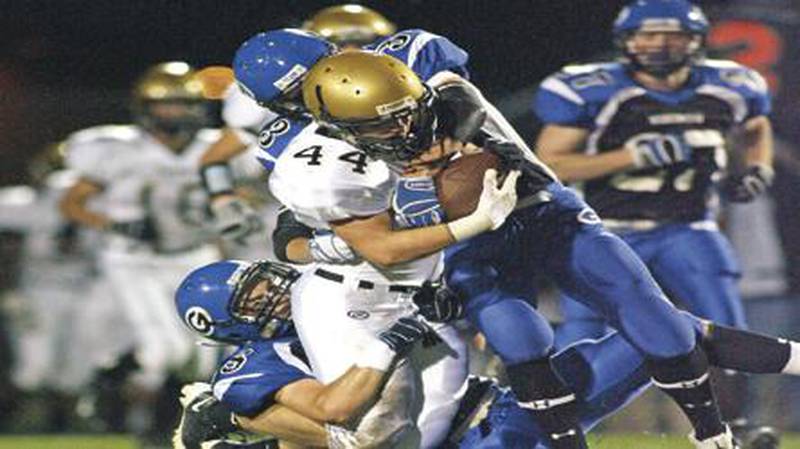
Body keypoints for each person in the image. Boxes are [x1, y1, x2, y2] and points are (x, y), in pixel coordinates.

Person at [299, 50, 744, 448]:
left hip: (540, 217)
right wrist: (333, 244)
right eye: (383, 122)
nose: (402, 127)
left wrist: (457, 147)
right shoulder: (318, 166)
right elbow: (347, 244)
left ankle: (712, 430)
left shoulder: (432, 90)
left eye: (406, 113)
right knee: (516, 341)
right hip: (424, 272)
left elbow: (461, 96)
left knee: (657, 322)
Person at [172, 259, 798, 449]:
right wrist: (393, 339)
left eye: (264, 278)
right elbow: (336, 411)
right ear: (228, 323)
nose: (274, 290)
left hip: (504, 406)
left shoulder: (332, 299)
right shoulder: (250, 366)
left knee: (665, 328)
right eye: (253, 294)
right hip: (465, 443)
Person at [229, 27, 485, 449]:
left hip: (433, 266)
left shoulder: (401, 65)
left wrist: (444, 162)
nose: (310, 100)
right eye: (293, 98)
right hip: (368, 287)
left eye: (309, 81)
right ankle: (235, 421)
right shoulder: (300, 145)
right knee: (381, 434)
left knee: (435, 423)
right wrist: (322, 246)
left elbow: (465, 104)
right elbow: (288, 236)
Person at [532, 0, 773, 429]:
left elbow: (755, 128)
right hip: (605, 230)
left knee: (726, 325)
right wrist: (628, 156)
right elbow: (549, 163)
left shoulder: (731, 85)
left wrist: (757, 167)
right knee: (585, 329)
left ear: (696, 41)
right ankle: (563, 428)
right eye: (647, 35)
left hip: (689, 227)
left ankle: (737, 427)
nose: (659, 45)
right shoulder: (594, 89)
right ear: (626, 42)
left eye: (672, 35)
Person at [59, 61, 261, 442]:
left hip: (193, 253)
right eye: (167, 104)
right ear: (145, 107)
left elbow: (249, 187)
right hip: (134, 258)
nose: (177, 112)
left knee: (200, 355)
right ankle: (117, 386)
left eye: (184, 103)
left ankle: (162, 421)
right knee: (164, 351)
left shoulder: (214, 147)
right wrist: (113, 224)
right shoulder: (117, 149)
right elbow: (72, 203)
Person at [173, 258, 445, 449]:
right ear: (232, 328)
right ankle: (220, 418)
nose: (278, 295)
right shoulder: (263, 360)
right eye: (257, 302)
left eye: (269, 283)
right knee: (366, 438)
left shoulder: (319, 288)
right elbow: (332, 408)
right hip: (363, 417)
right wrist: (390, 340)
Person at [200, 5, 399, 244]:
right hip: (321, 197)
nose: (354, 51)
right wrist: (223, 199)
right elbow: (214, 157)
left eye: (367, 42)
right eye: (345, 43)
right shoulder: (275, 93)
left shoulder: (396, 73)